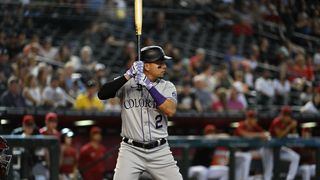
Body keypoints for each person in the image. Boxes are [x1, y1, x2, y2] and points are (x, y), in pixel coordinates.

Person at [98, 45, 183, 180]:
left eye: (163, 63)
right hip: (131, 151)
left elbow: (170, 110)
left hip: (159, 150)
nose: (164, 66)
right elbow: (102, 94)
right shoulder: (127, 83)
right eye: (159, 64)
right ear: (147, 66)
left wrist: (148, 86)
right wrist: (127, 75)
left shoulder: (167, 86)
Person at [267, 106, 300, 180]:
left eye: (288, 115)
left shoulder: (288, 122)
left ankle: (289, 178)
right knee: (268, 172)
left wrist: (293, 127)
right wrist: (289, 127)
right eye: (284, 115)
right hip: (269, 150)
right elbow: (279, 135)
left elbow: (294, 135)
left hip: (280, 149)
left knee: (295, 157)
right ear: (281, 114)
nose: (286, 117)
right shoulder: (276, 121)